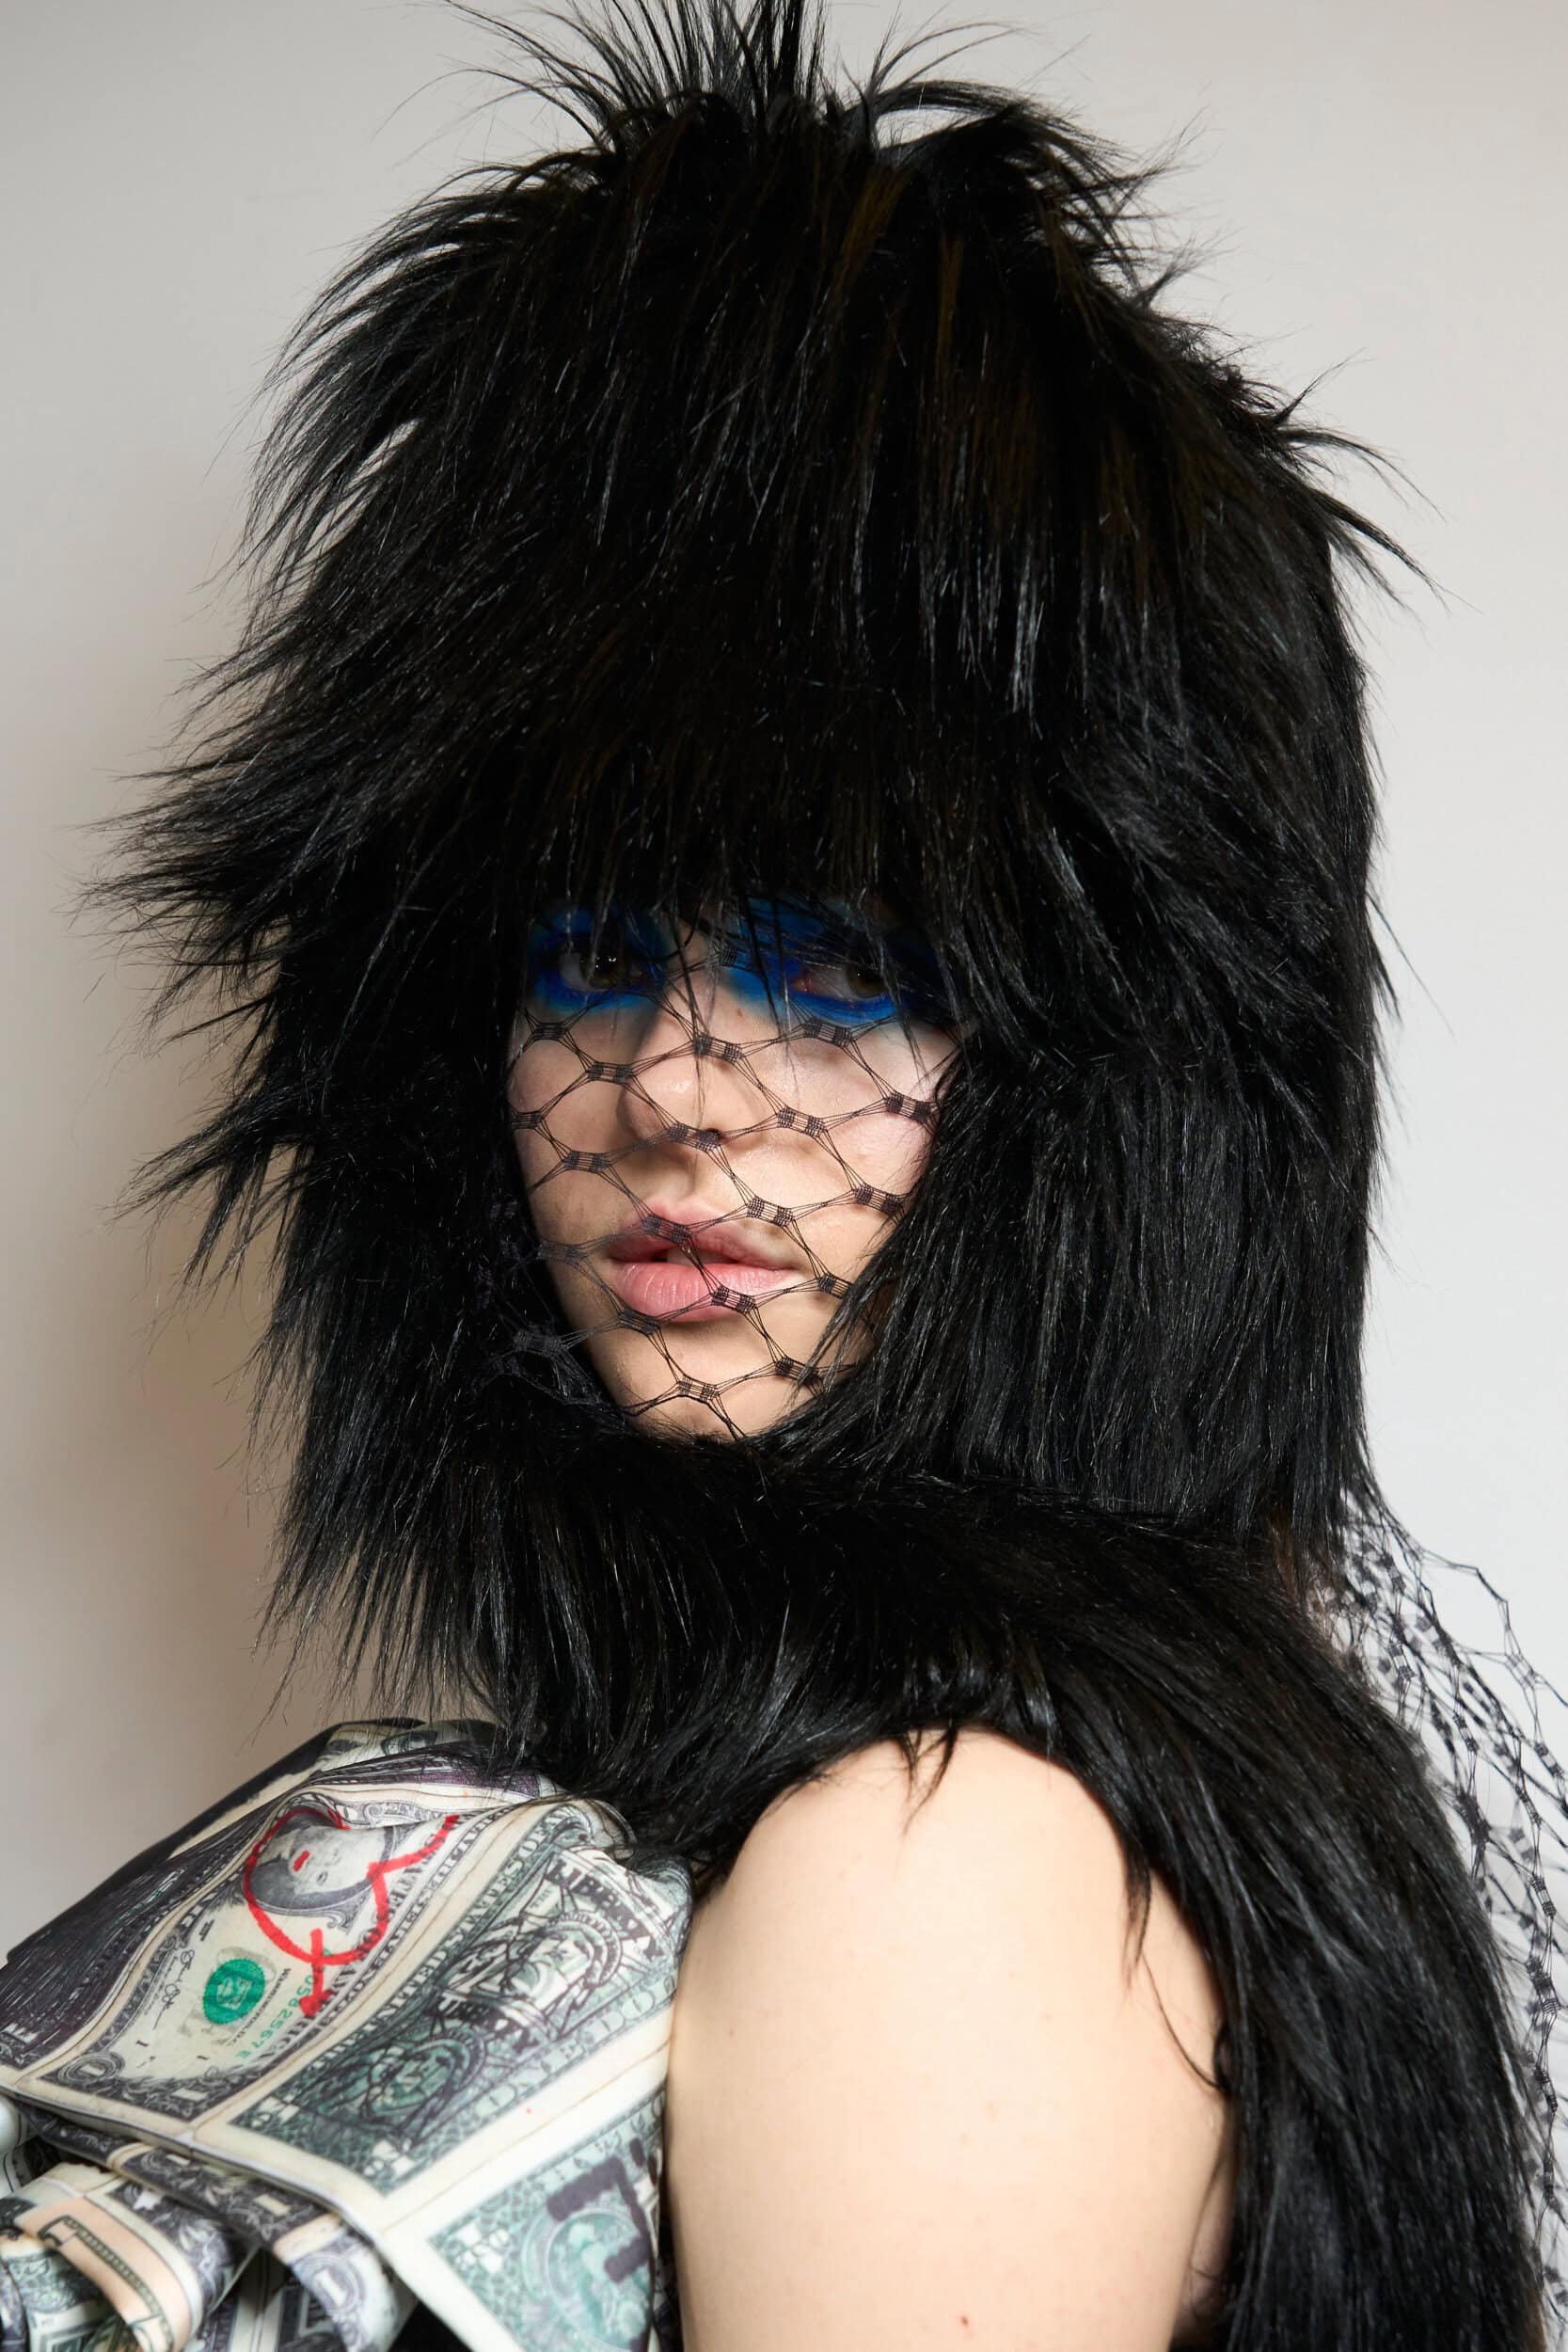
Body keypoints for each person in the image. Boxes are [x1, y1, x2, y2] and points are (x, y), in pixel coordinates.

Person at [1, 0, 1564, 2345]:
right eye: (593, 952)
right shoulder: (1074, 1772)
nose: (670, 1087)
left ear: (1099, 1078)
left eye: (840, 969)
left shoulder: (939, 1865)